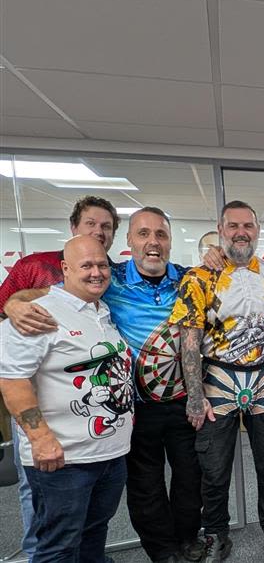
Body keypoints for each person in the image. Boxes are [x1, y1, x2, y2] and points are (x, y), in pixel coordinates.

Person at [4, 207, 205, 563]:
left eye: (161, 234)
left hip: (159, 411)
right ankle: (163, 552)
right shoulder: (110, 282)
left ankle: (188, 538)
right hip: (124, 415)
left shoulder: (185, 280)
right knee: (142, 489)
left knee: (186, 480)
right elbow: (46, 299)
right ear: (129, 241)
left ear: (171, 240)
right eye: (143, 233)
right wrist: (14, 302)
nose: (153, 241)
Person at [169, 200, 264, 563]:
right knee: (214, 469)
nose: (241, 232)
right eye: (233, 226)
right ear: (221, 230)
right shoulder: (198, 277)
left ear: (257, 230)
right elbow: (189, 342)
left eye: (248, 226)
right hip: (217, 378)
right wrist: (195, 397)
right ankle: (216, 535)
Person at [0, 235, 133, 563]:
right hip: (63, 461)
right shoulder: (39, 312)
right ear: (65, 269)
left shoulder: (102, 312)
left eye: (102, 265)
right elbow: (12, 380)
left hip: (108, 455)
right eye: (86, 265)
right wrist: (40, 438)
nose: (96, 273)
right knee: (58, 546)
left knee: (94, 533)